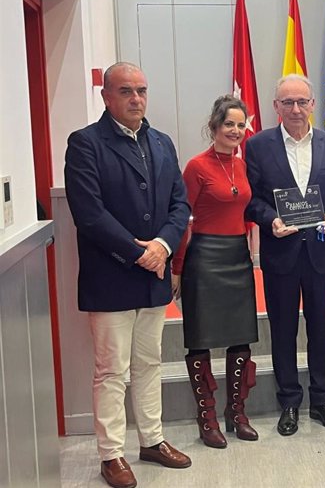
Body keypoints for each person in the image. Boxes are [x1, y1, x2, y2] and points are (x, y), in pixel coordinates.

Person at [64, 62, 192, 488]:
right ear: (106, 96)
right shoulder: (85, 144)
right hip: (112, 275)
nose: (136, 99)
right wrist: (138, 252)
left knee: (149, 363)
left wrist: (163, 247)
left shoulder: (162, 142)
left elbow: (179, 204)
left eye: (141, 90)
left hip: (154, 271)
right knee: (111, 370)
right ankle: (111, 454)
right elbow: (89, 214)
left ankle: (152, 440)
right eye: (125, 91)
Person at [245, 74, 325, 436]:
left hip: (321, 252)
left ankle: (322, 400)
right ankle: (289, 401)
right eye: (287, 102)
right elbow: (252, 200)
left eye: (301, 102)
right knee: (283, 329)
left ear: (312, 105)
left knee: (321, 328)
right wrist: (271, 219)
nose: (295, 109)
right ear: (276, 106)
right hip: (281, 254)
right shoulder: (257, 146)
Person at [171, 96, 259, 449]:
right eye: (229, 124)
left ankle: (236, 414)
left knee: (241, 338)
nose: (235, 131)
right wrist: (177, 267)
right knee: (201, 339)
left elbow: (245, 209)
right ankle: (206, 418)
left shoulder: (243, 165)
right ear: (214, 127)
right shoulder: (196, 166)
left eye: (240, 125)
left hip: (238, 256)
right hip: (204, 259)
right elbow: (180, 219)